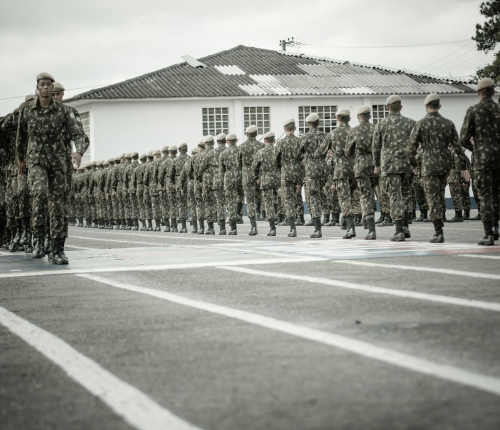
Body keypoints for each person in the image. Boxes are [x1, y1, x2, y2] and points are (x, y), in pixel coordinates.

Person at [16, 73, 87, 264]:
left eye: (50, 85)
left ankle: (57, 249)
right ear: (38, 87)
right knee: (39, 194)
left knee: (57, 205)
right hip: (37, 160)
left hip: (59, 163)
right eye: (43, 85)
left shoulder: (64, 111)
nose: (47, 89)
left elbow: (78, 134)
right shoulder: (28, 110)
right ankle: (38, 240)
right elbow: (21, 136)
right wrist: (20, 158)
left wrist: (79, 153)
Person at [408, 93, 469, 243]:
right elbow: (458, 147)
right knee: (440, 195)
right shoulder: (448, 123)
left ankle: (438, 231)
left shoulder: (421, 124)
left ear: (426, 107)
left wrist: (415, 167)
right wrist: (463, 169)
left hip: (429, 166)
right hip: (445, 166)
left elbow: (411, 148)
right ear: (439, 106)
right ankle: (441, 221)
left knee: (432, 198)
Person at [458, 77, 500, 245]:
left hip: (482, 160)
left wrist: (475, 149)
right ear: (493, 91)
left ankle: (488, 233)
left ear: (478, 93)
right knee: (497, 194)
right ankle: (496, 227)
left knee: (484, 196)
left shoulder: (473, 111)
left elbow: (463, 138)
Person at [373, 95, 416, 241]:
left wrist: (377, 164)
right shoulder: (411, 123)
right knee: (406, 195)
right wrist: (415, 163)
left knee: (394, 196)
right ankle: (405, 226)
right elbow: (417, 145)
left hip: (390, 166)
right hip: (407, 165)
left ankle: (399, 230)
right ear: (401, 107)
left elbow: (376, 147)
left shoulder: (381, 124)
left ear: (387, 108)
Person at [317, 108, 356, 239]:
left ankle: (350, 227)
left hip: (341, 169)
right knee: (354, 196)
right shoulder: (355, 131)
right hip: (355, 168)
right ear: (349, 119)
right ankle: (346, 222)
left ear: (337, 119)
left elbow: (321, 151)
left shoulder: (333, 133)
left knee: (344, 198)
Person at [346, 106, 378, 240]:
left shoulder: (354, 131)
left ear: (358, 118)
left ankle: (371, 229)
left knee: (364, 195)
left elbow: (348, 151)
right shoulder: (376, 128)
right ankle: (366, 219)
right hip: (376, 166)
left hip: (361, 166)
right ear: (369, 116)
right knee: (371, 193)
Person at [299, 113, 327, 238]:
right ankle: (332, 218)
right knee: (327, 197)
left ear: (308, 124)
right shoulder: (326, 136)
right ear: (319, 123)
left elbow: (298, 154)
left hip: (311, 171)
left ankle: (317, 229)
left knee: (314, 199)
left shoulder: (304, 137)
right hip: (325, 169)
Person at [275, 118, 303, 237]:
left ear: (284, 129)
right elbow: (303, 158)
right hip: (298, 173)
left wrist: (282, 167)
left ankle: (292, 228)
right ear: (295, 129)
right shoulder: (300, 141)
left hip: (286, 173)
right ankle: (302, 218)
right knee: (298, 197)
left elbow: (276, 160)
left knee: (289, 200)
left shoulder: (281, 143)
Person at [253, 131, 280, 236]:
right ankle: (279, 218)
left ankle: (272, 228)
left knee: (268, 204)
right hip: (278, 179)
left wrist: (256, 177)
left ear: (264, 141)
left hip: (266, 180)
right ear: (274, 140)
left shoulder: (260, 152)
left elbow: (254, 167)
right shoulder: (278, 150)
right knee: (278, 201)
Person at [239, 125, 261, 235]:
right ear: (256, 134)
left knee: (250, 201)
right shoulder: (261, 145)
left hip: (247, 174)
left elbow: (238, 163)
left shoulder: (241, 147)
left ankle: (253, 226)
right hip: (260, 174)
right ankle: (272, 225)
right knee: (264, 198)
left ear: (246, 134)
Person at [219, 133, 242, 235]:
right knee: (241, 198)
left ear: (227, 142)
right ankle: (240, 215)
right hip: (241, 177)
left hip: (228, 178)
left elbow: (221, 170)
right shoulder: (241, 151)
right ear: (236, 140)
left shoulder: (223, 153)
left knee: (231, 202)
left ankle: (233, 228)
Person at [169, 142, 190, 233]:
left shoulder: (175, 160)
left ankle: (183, 227)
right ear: (187, 150)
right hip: (189, 182)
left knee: (181, 205)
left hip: (179, 183)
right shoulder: (190, 158)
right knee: (191, 204)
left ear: (179, 151)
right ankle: (196, 227)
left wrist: (174, 183)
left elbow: (171, 174)